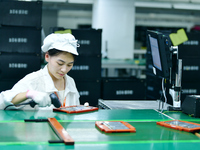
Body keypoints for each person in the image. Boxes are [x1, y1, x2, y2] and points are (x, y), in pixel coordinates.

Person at [0, 33, 80, 110]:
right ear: (47, 56)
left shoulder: (70, 81)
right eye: (60, 63)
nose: (64, 69)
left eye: (69, 65)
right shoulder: (33, 80)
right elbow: (2, 102)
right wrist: (29, 94)